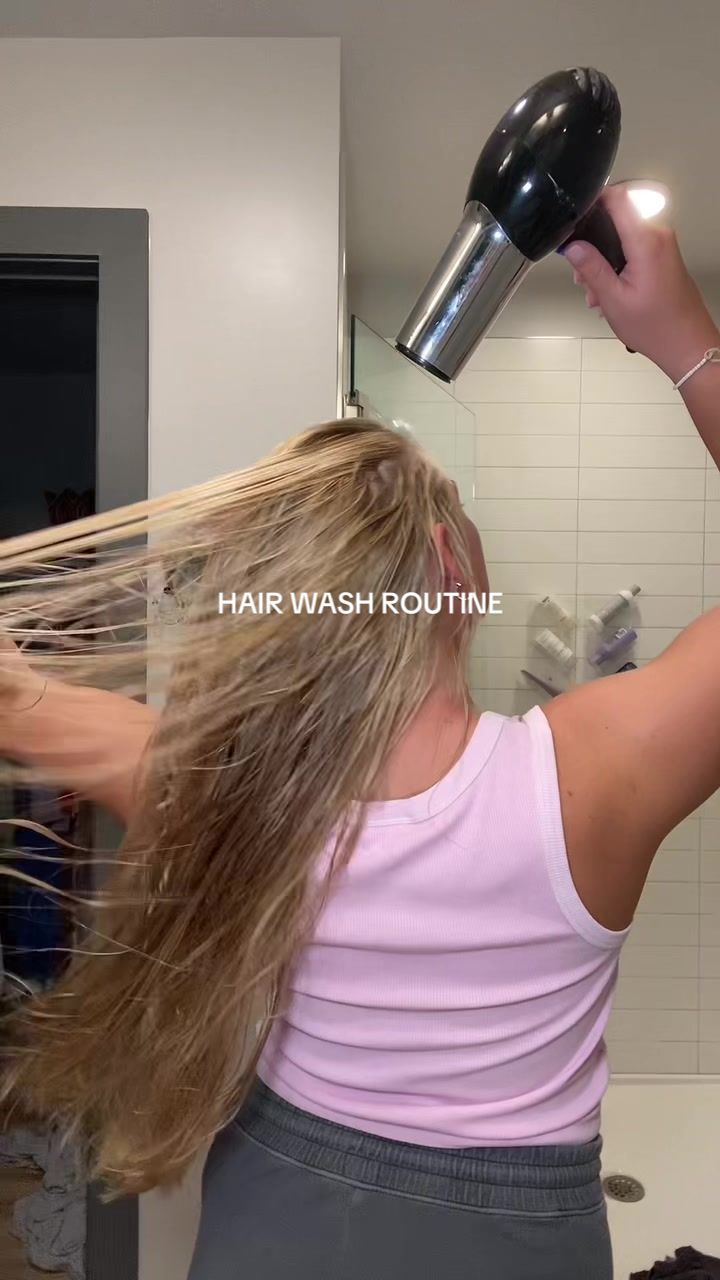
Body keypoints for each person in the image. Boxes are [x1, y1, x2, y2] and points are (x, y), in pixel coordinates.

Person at [0, 185, 718, 1280]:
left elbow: (15, 696)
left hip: (271, 1216)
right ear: (451, 567)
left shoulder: (209, 789)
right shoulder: (589, 775)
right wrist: (683, 337)